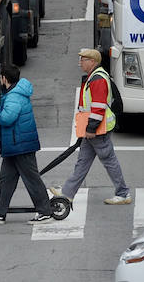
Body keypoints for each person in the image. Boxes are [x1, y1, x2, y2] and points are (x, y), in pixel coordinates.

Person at [55, 48, 131, 206]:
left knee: (108, 160)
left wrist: (91, 129)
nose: (80, 63)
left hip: (97, 129)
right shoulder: (95, 76)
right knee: (83, 161)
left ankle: (123, 193)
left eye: (83, 60)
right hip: (94, 128)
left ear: (92, 62)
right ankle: (67, 193)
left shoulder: (97, 79)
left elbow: (98, 107)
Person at [0, 64, 53, 224]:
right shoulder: (13, 93)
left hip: (21, 145)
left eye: (0, 77)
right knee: (6, 179)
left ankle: (45, 211)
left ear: (4, 78)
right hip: (15, 146)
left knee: (32, 179)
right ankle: (0, 212)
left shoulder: (14, 96)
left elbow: (7, 118)